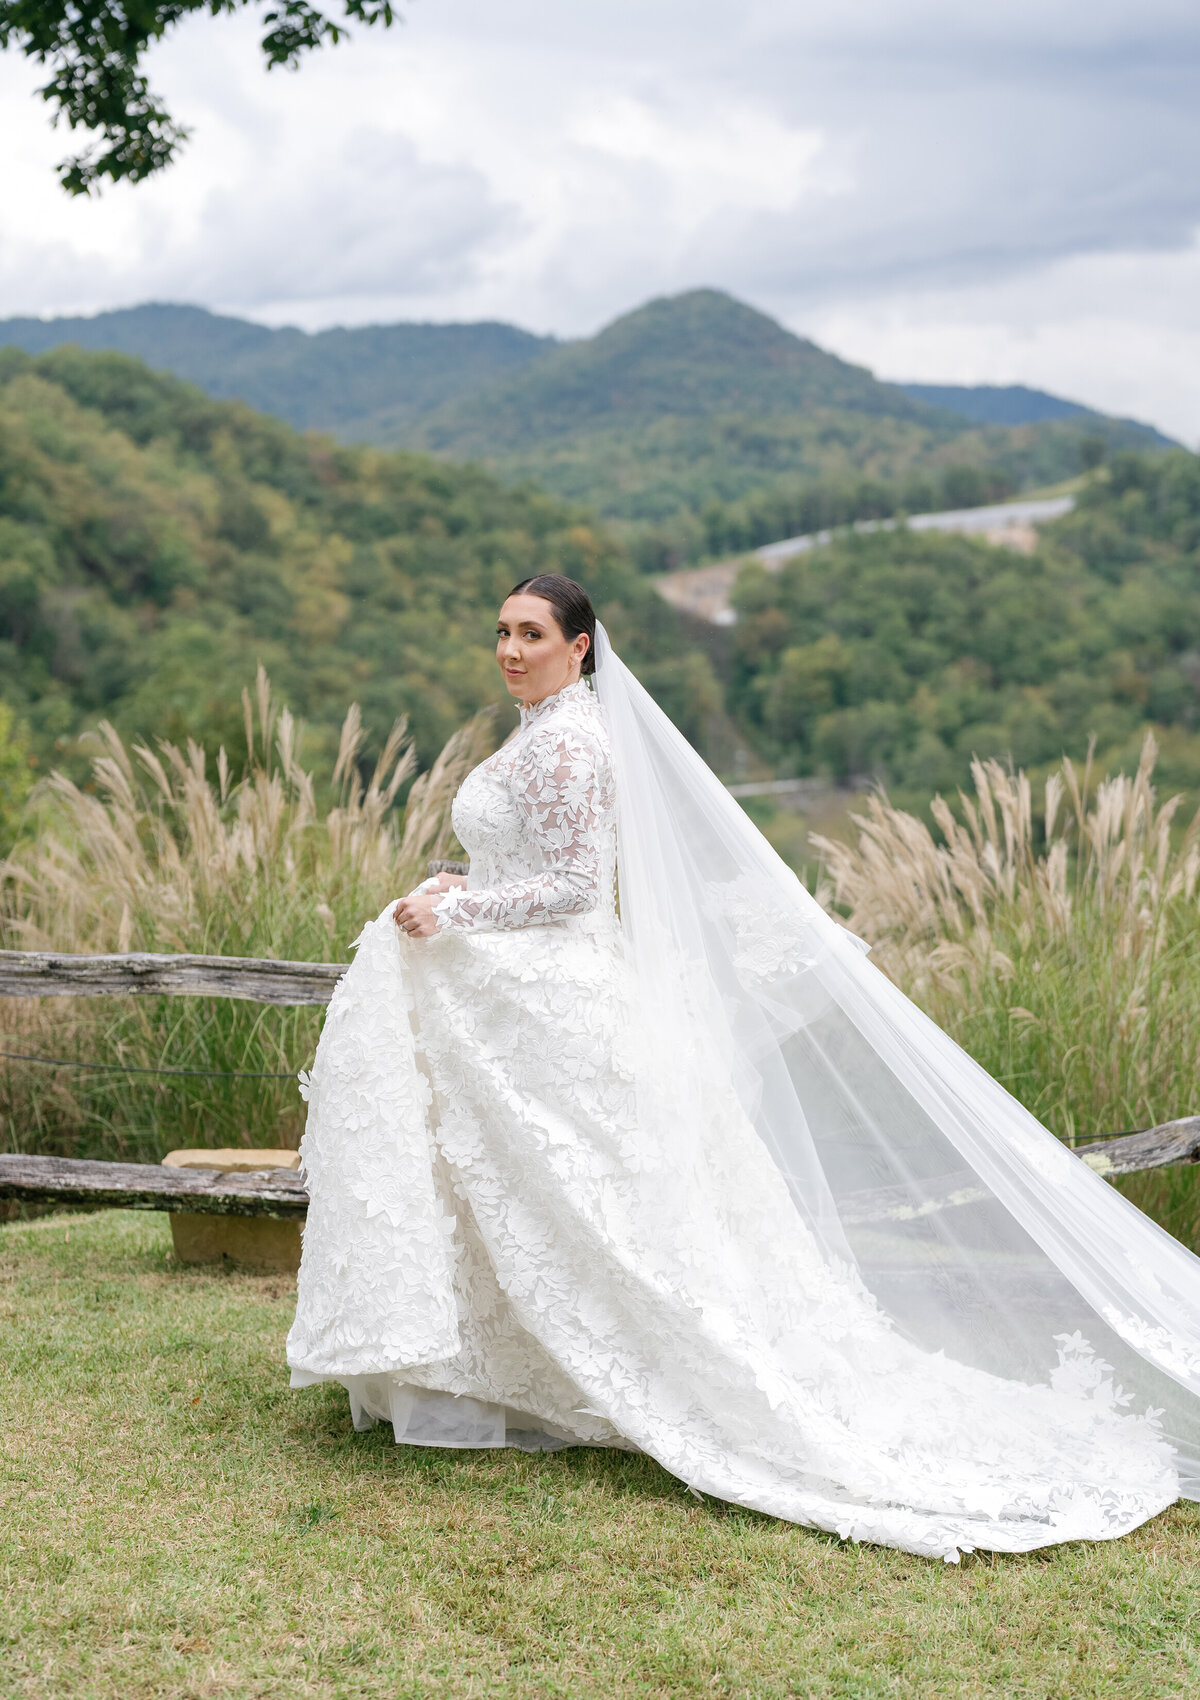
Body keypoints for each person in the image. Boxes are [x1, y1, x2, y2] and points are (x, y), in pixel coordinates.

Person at [289, 573, 1200, 1562]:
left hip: (559, 994)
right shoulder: (545, 727)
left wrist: (456, 912)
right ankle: (505, 1368)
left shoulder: (572, 739)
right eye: (502, 631)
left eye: (533, 633)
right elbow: (529, 866)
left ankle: (650, 1374)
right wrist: (463, 880)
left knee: (601, 1205)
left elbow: (573, 886)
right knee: (528, 1189)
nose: (511, 648)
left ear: (580, 647)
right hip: (525, 992)